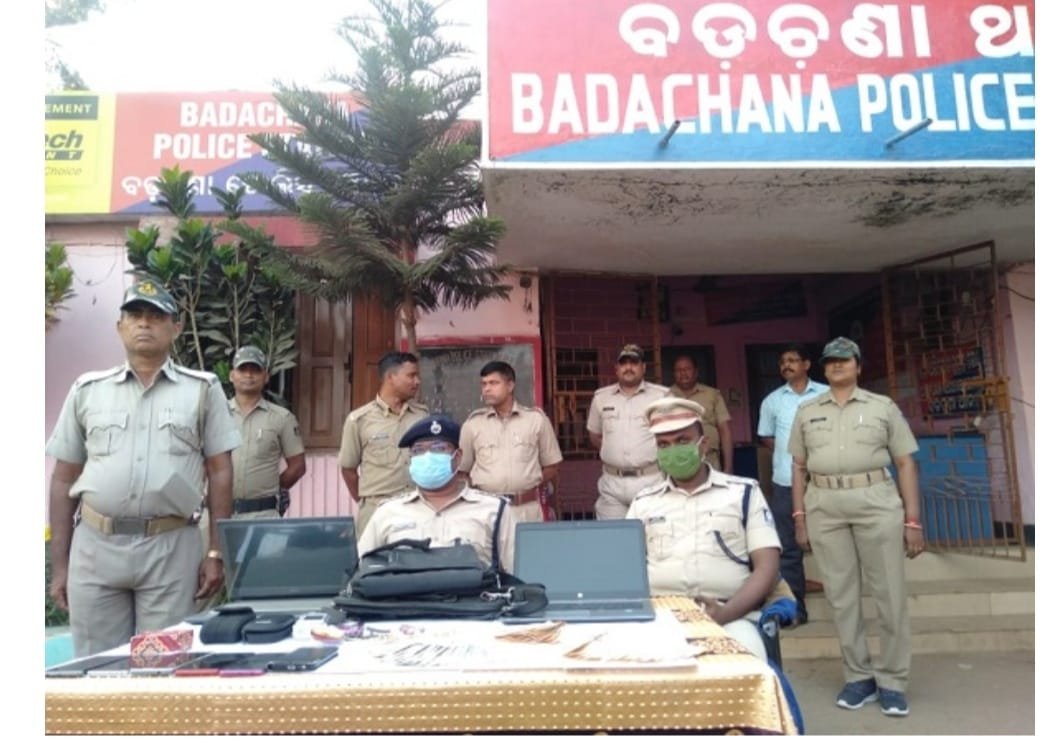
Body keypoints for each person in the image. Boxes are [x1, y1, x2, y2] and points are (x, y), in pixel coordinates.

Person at [46, 279, 241, 657]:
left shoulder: (202, 390)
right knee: (97, 666)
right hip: (96, 547)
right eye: (135, 315)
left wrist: (215, 553)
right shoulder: (88, 390)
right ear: (120, 326)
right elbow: (63, 478)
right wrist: (60, 564)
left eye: (156, 316)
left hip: (170, 547)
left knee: (164, 665)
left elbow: (221, 472)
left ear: (176, 327)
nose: (144, 323)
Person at [789, 336, 923, 718]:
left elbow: (905, 464)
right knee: (841, 596)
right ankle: (859, 676)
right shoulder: (807, 411)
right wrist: (799, 517)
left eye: (844, 359)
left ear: (858, 366)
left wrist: (913, 520)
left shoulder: (883, 407)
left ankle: (893, 680)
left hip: (876, 502)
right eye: (830, 360)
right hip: (825, 505)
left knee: (889, 595)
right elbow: (798, 467)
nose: (836, 364)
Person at [626, 398, 781, 661]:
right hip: (660, 617)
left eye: (682, 441)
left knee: (747, 663)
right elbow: (625, 570)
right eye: (664, 445)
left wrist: (724, 614)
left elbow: (767, 567)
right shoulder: (643, 503)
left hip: (732, 615)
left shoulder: (744, 493)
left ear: (703, 444)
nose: (673, 450)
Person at [357, 414, 516, 572]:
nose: (428, 456)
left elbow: (518, 571)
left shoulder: (495, 510)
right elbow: (360, 569)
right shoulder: (388, 512)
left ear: (457, 457)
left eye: (438, 448)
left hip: (473, 589)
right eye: (418, 450)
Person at [757, 343, 828, 625]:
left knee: (836, 542)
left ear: (807, 365)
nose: (786, 365)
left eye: (792, 360)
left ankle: (844, 606)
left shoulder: (826, 394)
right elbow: (767, 437)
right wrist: (792, 455)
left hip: (825, 481)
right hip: (786, 481)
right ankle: (796, 608)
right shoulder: (772, 401)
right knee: (788, 548)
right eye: (782, 361)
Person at [459, 361, 563, 522]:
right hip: (486, 510)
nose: (487, 389)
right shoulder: (473, 425)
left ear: (510, 385)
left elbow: (552, 466)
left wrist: (529, 483)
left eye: (493, 383)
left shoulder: (536, 420)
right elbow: (461, 472)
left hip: (527, 509)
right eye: (484, 384)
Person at [338, 351, 428, 534]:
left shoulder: (422, 416)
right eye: (411, 375)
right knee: (373, 553)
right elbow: (348, 469)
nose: (417, 381)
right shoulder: (360, 420)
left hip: (417, 507)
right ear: (391, 377)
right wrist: (368, 500)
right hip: (377, 511)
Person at [586, 343, 669, 519]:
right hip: (612, 484)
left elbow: (671, 436)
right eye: (623, 363)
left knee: (653, 534)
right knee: (613, 535)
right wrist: (615, 453)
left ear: (643, 367)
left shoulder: (662, 397)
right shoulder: (601, 397)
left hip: (650, 481)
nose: (628, 367)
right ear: (616, 369)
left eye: (634, 362)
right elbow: (595, 436)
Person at [228, 345, 306, 518]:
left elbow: (298, 466)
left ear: (266, 377)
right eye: (242, 369)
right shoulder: (216, 415)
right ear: (231, 375)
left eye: (255, 370)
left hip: (262, 515)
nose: (249, 375)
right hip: (219, 513)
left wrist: (272, 489)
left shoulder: (282, 418)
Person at [669, 355, 734, 472]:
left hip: (709, 458)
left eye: (687, 369)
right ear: (673, 374)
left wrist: (728, 467)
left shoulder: (712, 394)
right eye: (678, 370)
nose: (683, 373)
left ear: (696, 372)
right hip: (677, 459)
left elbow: (725, 430)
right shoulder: (666, 396)